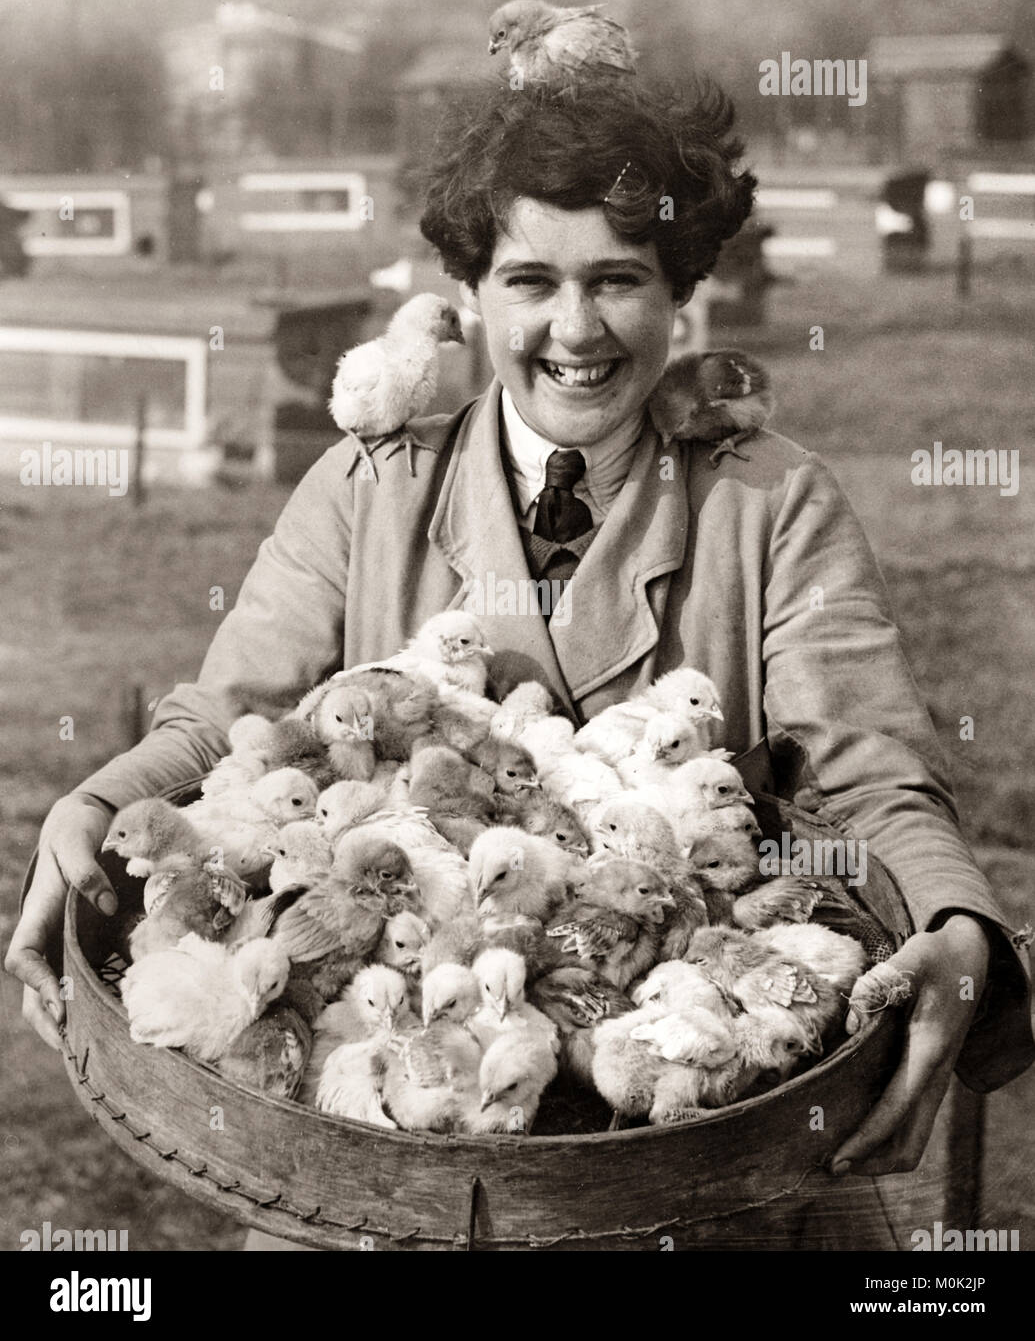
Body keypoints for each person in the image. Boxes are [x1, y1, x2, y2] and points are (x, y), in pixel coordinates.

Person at [8, 77, 1032, 1249]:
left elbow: (869, 779)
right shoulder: (369, 487)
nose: (577, 330)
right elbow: (224, 730)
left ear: (682, 291)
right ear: (466, 291)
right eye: (532, 281)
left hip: (711, 1180)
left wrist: (957, 922)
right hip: (391, 1174)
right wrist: (94, 801)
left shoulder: (772, 502)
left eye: (619, 280)